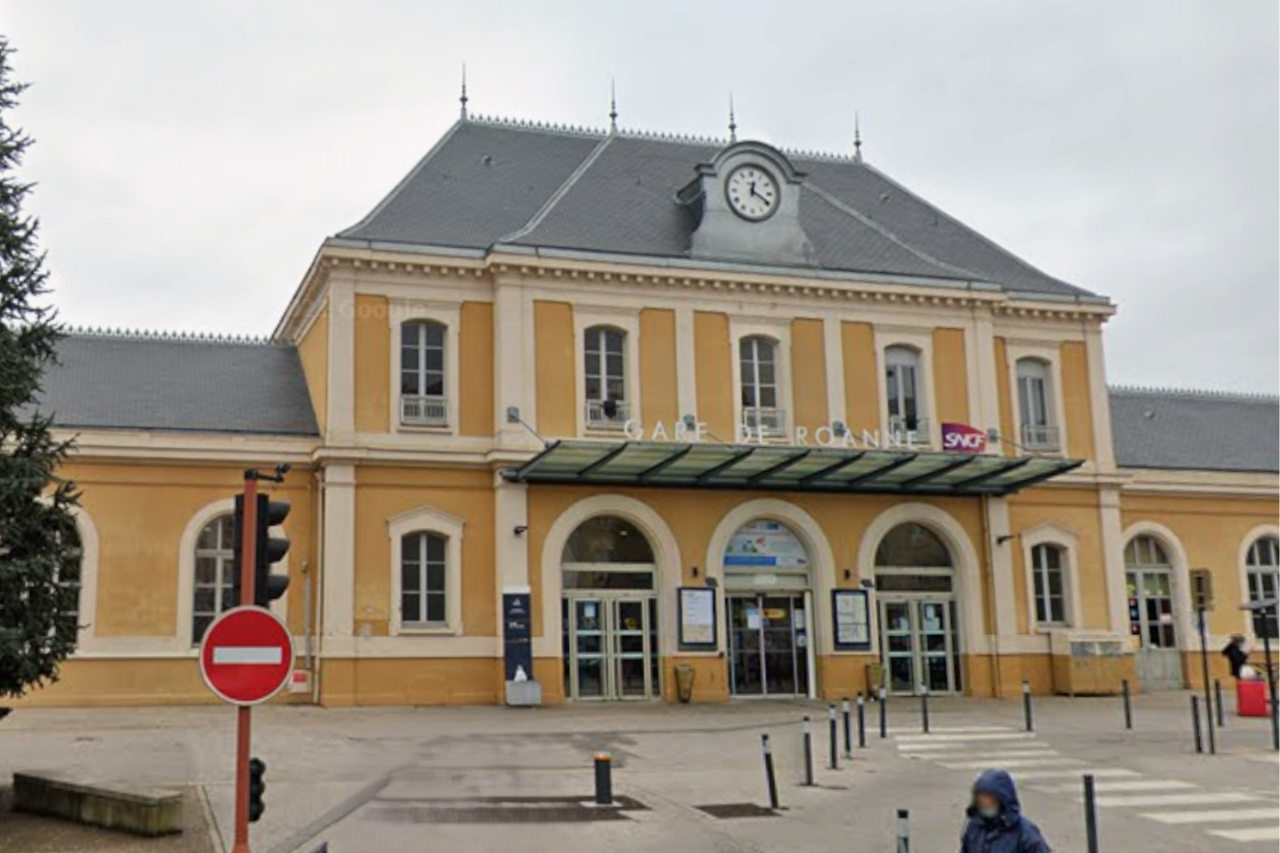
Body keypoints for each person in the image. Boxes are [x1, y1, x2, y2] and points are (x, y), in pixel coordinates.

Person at [959, 769, 1051, 853]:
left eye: (989, 801)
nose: (985, 806)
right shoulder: (974, 828)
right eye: (981, 801)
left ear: (1002, 801)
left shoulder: (1025, 833)